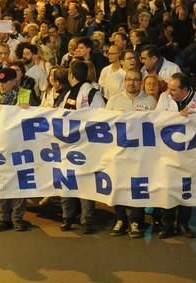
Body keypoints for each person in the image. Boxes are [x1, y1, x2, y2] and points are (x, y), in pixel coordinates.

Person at [155, 72, 196, 238]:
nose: (169, 92)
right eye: (169, 88)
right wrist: (178, 117)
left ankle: (183, 224)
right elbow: (157, 120)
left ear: (185, 89)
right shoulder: (165, 98)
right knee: (168, 189)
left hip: (191, 154)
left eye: (173, 89)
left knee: (187, 191)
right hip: (168, 152)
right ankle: (167, 226)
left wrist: (194, 118)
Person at [105, 68, 155, 238]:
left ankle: (135, 221)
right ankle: (120, 219)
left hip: (141, 154)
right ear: (124, 81)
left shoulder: (150, 102)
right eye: (128, 79)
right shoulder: (113, 101)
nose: (131, 83)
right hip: (118, 152)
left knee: (138, 187)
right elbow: (105, 126)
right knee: (118, 185)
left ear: (141, 82)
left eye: (135, 80)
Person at [57, 61, 104, 233]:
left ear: (71, 75)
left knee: (85, 183)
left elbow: (101, 117)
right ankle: (67, 216)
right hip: (67, 145)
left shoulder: (92, 94)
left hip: (86, 146)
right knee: (66, 180)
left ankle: (86, 220)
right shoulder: (67, 93)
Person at [0, 67, 31, 232]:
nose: (1, 85)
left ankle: (17, 218)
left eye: (5, 82)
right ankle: (3, 217)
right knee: (1, 181)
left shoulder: (25, 93)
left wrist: (27, 109)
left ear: (14, 81)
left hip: (19, 144)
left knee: (18, 181)